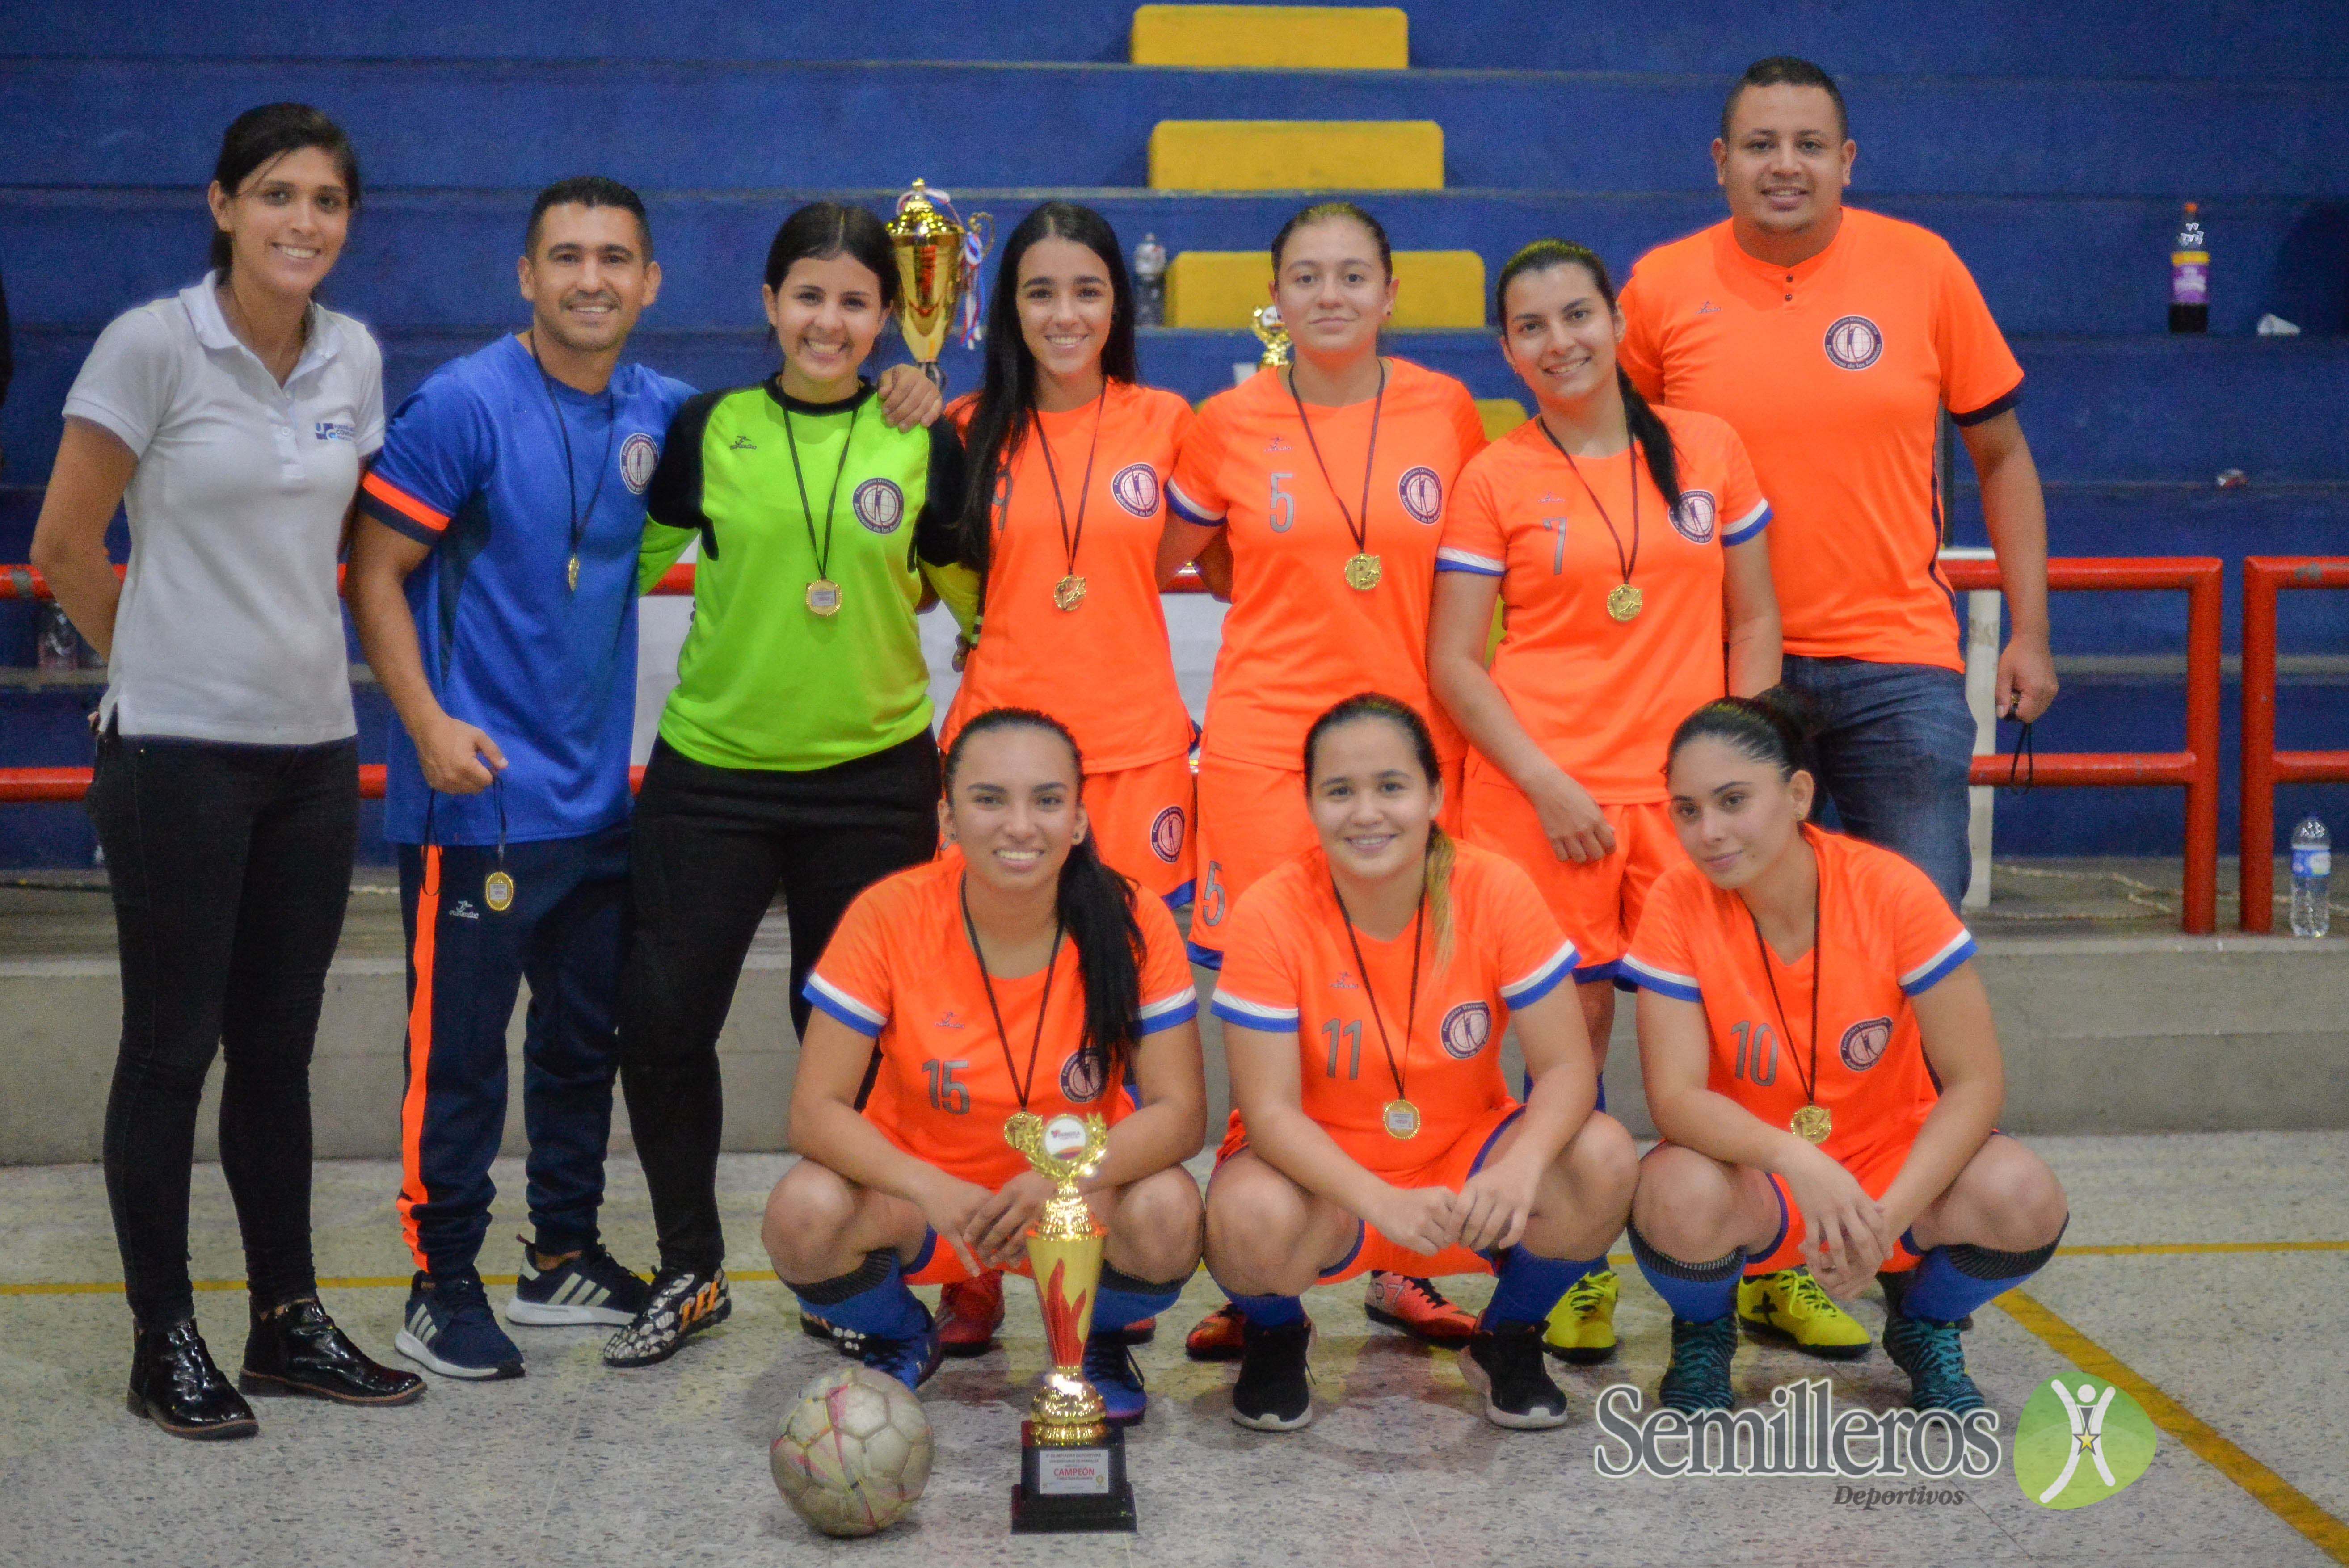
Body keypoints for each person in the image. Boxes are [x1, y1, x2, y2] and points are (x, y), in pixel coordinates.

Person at [29, 102, 421, 1438]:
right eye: (276, 194)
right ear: (222, 206)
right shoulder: (152, 344)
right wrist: (165, 662)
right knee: (170, 1049)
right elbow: (66, 544)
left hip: (312, 757)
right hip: (175, 759)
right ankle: (164, 1337)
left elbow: (357, 549)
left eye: (326, 200)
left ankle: (286, 1320)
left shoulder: (353, 355)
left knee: (277, 1052)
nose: (302, 221)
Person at [603, 201, 967, 1369]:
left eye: (855, 301)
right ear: (770, 304)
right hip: (713, 773)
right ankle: (691, 1265)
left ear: (888, 316)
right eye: (808, 295)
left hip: (874, 780)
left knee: (850, 1038)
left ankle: (840, 1268)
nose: (829, 320)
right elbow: (620, 568)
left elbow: (980, 599)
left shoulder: (922, 437)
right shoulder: (711, 428)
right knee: (664, 1018)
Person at [346, 177, 685, 1380]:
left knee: (582, 1042)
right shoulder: (465, 402)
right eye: (567, 257)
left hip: (595, 805)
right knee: (460, 1056)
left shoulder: (664, 413)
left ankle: (562, 1255)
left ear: (650, 282)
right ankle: (439, 1284)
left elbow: (799, 419)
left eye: (615, 258)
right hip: (475, 800)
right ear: (527, 276)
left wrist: (908, 389)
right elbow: (374, 570)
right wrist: (425, 720)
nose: (592, 278)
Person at [1429, 239, 1779, 1366]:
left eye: (1577, 315)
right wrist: (1544, 780)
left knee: (1727, 1042)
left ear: (1617, 320)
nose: (1559, 342)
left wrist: (1740, 773)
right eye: (1530, 327)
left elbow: (1754, 622)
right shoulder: (1494, 476)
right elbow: (1455, 661)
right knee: (1565, 1050)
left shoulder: (1709, 448)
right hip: (1546, 799)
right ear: (1505, 348)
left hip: (1686, 805)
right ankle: (1572, 1263)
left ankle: (1752, 1262)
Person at [1155, 202, 1492, 1353]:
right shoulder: (1227, 422)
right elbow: (1171, 554)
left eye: (1354, 275)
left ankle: (1405, 1263)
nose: (1331, 295)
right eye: (1307, 276)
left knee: (1401, 1001)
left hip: (1408, 755)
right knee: (1272, 1003)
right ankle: (1266, 1284)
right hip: (1264, 753)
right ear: (1276, 298)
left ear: (1392, 293)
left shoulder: (1447, 409)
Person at [1616, 55, 2056, 915]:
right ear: (1720, 161)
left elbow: (2003, 457)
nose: (1785, 165)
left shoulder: (1925, 268)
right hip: (1720, 660)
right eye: (1761, 145)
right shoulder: (1661, 288)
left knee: (1916, 922)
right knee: (1740, 925)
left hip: (1897, 662)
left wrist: (2031, 631)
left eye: (1809, 145)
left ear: (1847, 161)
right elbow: (1607, 468)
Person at [1620, 694, 2069, 1413]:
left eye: (1733, 800)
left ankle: (1923, 1319)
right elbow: (1675, 1098)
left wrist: (1885, 1221)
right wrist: (1797, 1159)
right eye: (1687, 810)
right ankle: (1704, 1328)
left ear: (1799, 794)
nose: (1709, 832)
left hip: (1889, 1159)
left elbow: (1975, 1082)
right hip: (1757, 1170)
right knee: (1673, 1194)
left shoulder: (1890, 889)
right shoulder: (1677, 899)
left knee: (2024, 1196)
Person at [1201, 694, 1637, 1430]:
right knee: (1247, 1215)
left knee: (1603, 1156)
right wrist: (1378, 1199)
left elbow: (1567, 1067)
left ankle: (1509, 1336)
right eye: (1340, 791)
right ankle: (1277, 1335)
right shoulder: (1271, 909)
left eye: (1391, 786)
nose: (1367, 812)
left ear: (1435, 795)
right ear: (1309, 804)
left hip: (1463, 1160)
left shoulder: (1495, 887)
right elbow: (1268, 1112)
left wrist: (1522, 1165)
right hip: (1323, 1175)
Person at [766, 708, 1205, 1420]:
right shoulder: (890, 914)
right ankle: (900, 1333)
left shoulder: (1133, 918)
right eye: (990, 799)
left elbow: (1180, 1114)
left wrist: (1059, 1177)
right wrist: (930, 1187)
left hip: (1073, 1198)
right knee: (801, 1213)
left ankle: (1089, 1343)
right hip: (929, 1204)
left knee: (1169, 1210)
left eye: (1047, 800)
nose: (1020, 825)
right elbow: (814, 1112)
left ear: (1079, 819)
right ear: (947, 817)